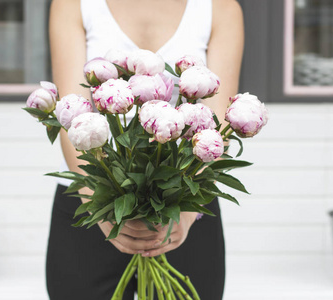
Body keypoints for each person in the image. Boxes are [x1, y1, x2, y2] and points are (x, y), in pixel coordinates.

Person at [46, 0, 244, 299]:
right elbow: (72, 115)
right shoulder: (73, 4)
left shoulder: (220, 8)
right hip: (91, 199)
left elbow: (217, 125)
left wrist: (185, 218)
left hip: (186, 204)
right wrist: (100, 209)